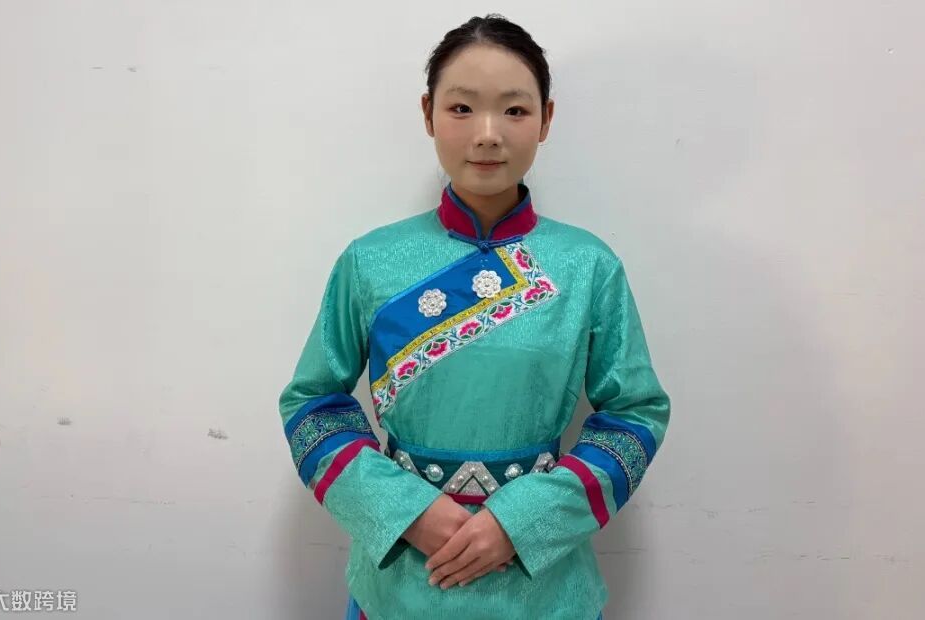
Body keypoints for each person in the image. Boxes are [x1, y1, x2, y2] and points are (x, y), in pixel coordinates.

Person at [278, 14, 672, 620]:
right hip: (401, 584)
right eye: (462, 108)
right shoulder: (370, 261)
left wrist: (523, 521)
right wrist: (406, 511)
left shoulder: (588, 266)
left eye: (514, 110)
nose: (488, 135)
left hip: (543, 587)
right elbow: (312, 405)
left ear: (546, 119)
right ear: (428, 113)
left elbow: (635, 413)